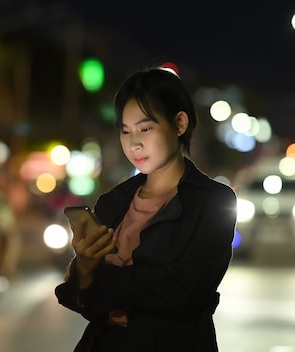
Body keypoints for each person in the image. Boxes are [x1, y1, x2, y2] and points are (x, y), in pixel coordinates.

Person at [55, 62, 237, 351]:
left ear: (180, 123)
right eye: (125, 131)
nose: (134, 144)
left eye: (145, 128)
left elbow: (186, 290)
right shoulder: (113, 201)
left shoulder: (212, 201)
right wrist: (86, 264)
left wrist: (106, 288)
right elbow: (86, 304)